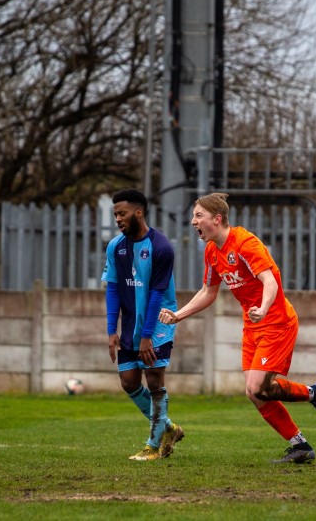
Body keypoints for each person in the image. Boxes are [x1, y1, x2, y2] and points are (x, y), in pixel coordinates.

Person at [157, 192, 316, 464]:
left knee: (257, 388)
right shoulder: (211, 251)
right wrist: (178, 315)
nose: (193, 221)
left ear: (216, 219)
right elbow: (208, 291)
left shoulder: (244, 243)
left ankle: (313, 395)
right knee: (255, 393)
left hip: (276, 321)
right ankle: (301, 442)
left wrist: (263, 308)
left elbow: (270, 282)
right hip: (253, 325)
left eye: (198, 216)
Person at [101, 189, 184, 461]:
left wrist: (147, 335)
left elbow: (158, 294)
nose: (117, 219)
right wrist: (112, 330)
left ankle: (152, 445)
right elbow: (112, 289)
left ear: (138, 212)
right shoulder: (115, 247)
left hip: (157, 322)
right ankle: (169, 428)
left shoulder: (161, 247)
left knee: (154, 379)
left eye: (121, 213)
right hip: (131, 324)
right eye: (115, 214)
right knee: (128, 381)